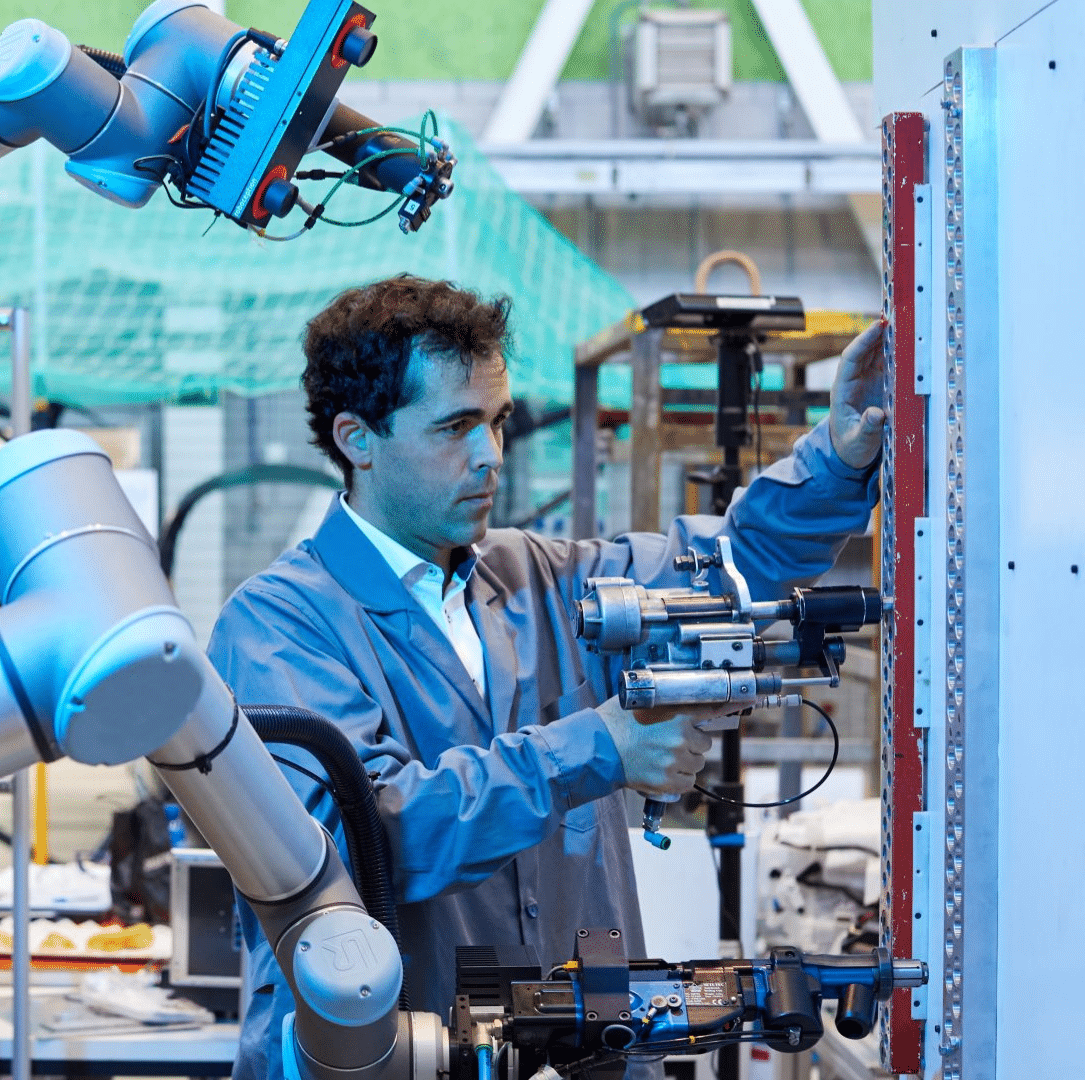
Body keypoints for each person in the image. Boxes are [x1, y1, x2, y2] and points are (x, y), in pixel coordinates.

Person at [206, 276, 885, 1079]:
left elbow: (733, 569)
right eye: (455, 427)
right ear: (357, 438)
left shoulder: (545, 579)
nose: (490, 456)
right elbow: (371, 843)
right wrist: (597, 747)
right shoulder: (277, 627)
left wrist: (837, 458)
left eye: (497, 422)